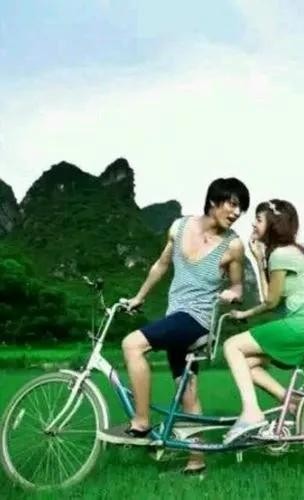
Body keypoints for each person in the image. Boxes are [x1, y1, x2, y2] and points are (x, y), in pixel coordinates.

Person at [102, 177, 249, 473]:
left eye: (241, 209)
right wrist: (139, 297)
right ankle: (196, 461)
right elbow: (161, 264)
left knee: (132, 344)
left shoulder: (233, 245)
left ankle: (141, 421)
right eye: (232, 204)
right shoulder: (178, 228)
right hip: (176, 318)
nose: (236, 213)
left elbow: (238, 285)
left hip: (198, 320)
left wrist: (232, 294)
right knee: (187, 391)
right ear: (213, 201)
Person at [223, 199, 304, 444]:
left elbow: (270, 301)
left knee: (231, 346)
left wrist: (246, 313)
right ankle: (293, 403)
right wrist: (260, 260)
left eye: (259, 219)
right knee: (247, 364)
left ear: (273, 224)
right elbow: (272, 299)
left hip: (302, 325)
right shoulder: (293, 251)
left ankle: (251, 412)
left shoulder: (281, 255)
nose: (253, 224)